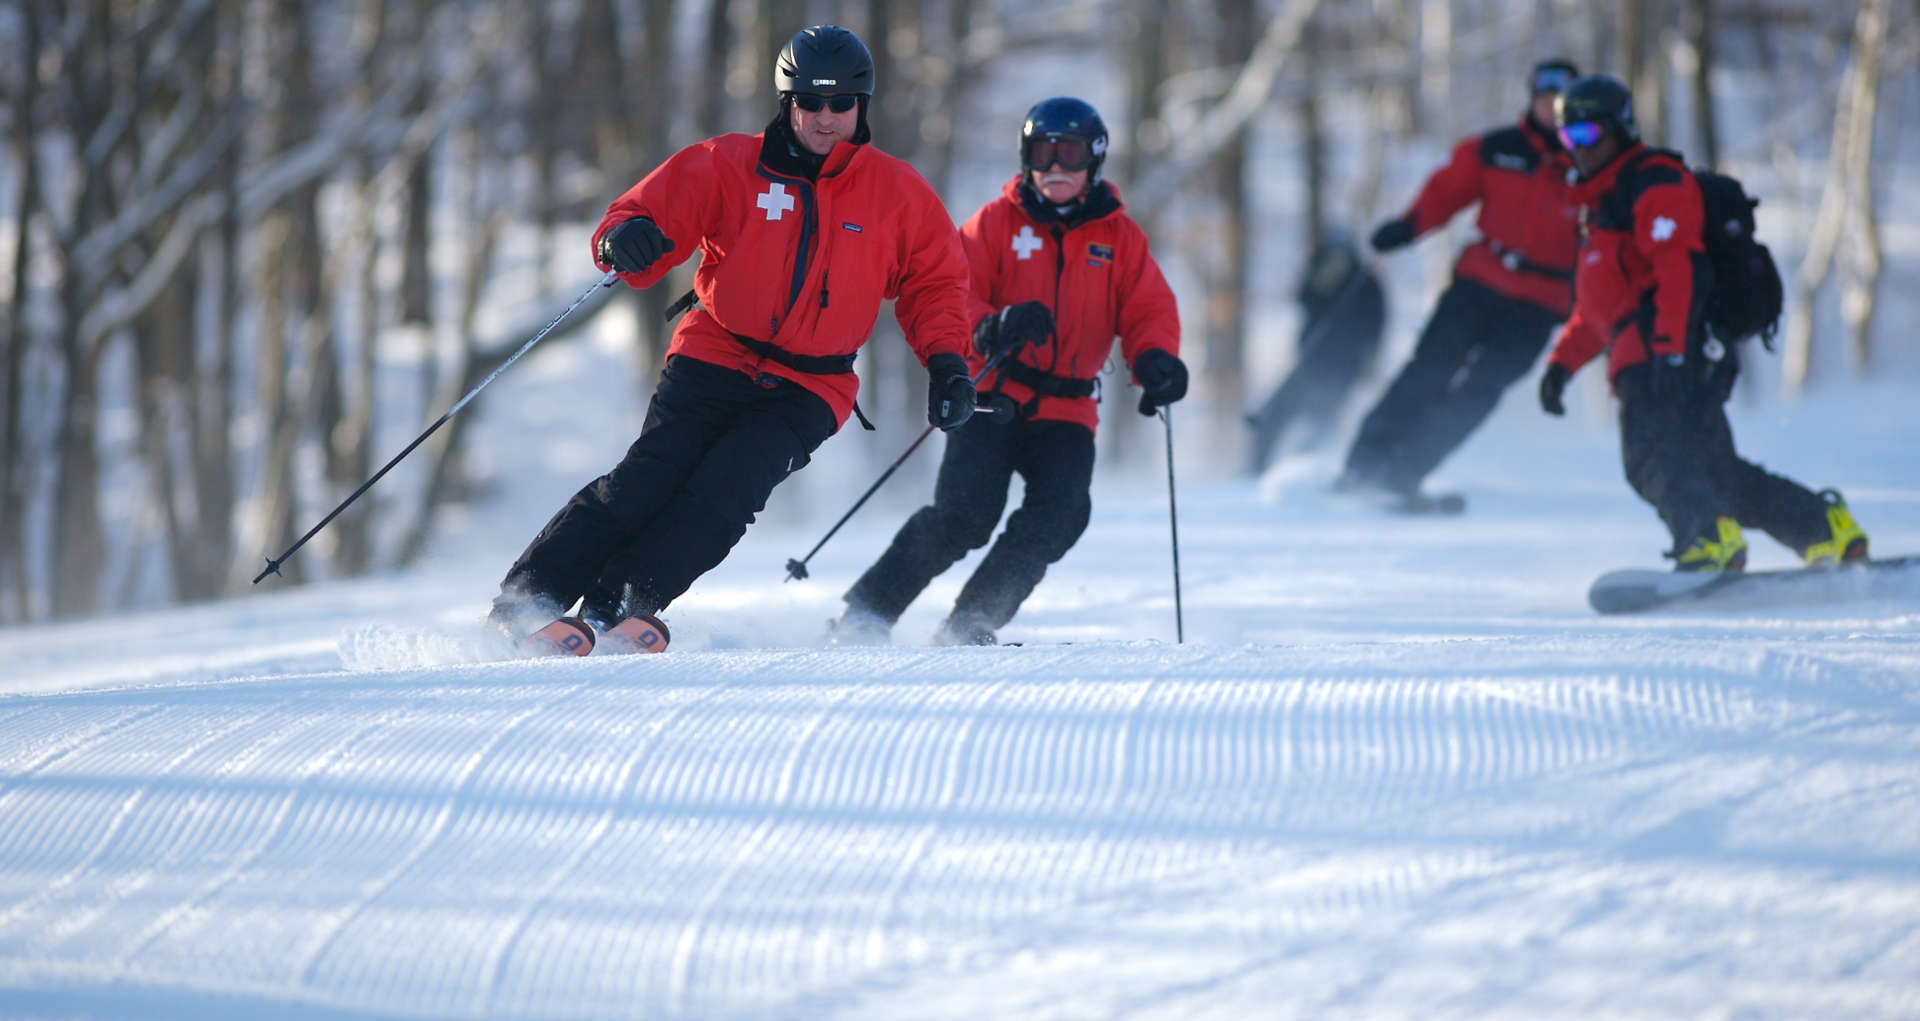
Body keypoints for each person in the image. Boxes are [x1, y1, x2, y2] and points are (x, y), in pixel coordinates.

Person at [487, 25, 978, 653]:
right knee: (647, 480)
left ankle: (624, 603)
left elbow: (936, 285)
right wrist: (625, 237)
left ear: (863, 107)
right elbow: (640, 217)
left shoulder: (898, 193)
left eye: (840, 105)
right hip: (715, 352)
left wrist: (947, 364)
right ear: (787, 102)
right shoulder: (729, 164)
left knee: (725, 495)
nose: (825, 119)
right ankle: (529, 601)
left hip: (812, 383)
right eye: (810, 102)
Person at [830, 96, 1185, 646]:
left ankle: (974, 617)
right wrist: (993, 324)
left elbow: (1148, 311)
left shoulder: (1118, 239)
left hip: (1069, 408)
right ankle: (867, 611)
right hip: (994, 394)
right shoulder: (995, 224)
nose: (1055, 167)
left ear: (1094, 161)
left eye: (1068, 153)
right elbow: (952, 291)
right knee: (964, 516)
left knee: (1061, 515)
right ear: (1026, 157)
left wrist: (1156, 359)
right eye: (1042, 152)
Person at [1536, 74, 1869, 571]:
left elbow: (1680, 269)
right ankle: (1825, 530)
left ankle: (1707, 540)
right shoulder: (1603, 204)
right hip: (1653, 349)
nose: (1576, 148)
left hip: (1670, 350)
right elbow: (1604, 307)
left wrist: (1671, 353)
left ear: (1618, 128)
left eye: (1586, 135)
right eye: (1568, 137)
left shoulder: (1651, 181)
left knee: (1650, 459)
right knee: (1718, 475)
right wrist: (1562, 365)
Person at [1335, 59, 1584, 510]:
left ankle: (1401, 476)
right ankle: (1362, 467)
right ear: (1533, 100)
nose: (1552, 109)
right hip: (1480, 283)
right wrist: (1408, 228)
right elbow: (1447, 191)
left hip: (1540, 302)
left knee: (1478, 393)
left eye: (1563, 102)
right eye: (1545, 99)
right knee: (1428, 370)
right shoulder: (1496, 148)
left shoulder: (1590, 163)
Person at [1245, 234, 1387, 472]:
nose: (1336, 262)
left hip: (1344, 367)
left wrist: (1369, 361)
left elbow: (1377, 325)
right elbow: (1302, 298)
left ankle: (1308, 472)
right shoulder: (1317, 274)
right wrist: (1320, 280)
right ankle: (1255, 469)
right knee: (1275, 416)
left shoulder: (1366, 283)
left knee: (1321, 422)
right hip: (1309, 362)